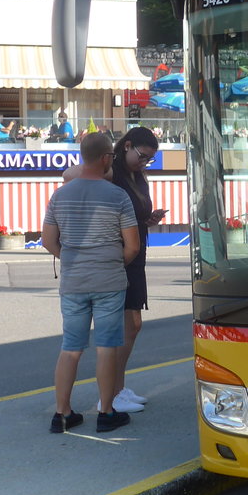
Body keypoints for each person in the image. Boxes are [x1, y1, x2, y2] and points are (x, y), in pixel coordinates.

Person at [42, 132, 140, 434]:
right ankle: (106, 412)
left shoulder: (60, 195)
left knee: (70, 347)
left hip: (73, 281)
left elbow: (48, 241)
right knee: (107, 346)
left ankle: (62, 414)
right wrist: (110, 262)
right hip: (108, 280)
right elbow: (133, 246)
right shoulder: (118, 196)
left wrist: (72, 258)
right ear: (106, 158)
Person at [108, 127, 167, 412]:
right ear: (127, 145)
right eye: (142, 156)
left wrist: (148, 219)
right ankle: (110, 392)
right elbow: (71, 176)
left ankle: (117, 387)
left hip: (136, 251)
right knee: (127, 326)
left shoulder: (136, 176)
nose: (145, 163)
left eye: (149, 160)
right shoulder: (111, 171)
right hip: (121, 256)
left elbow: (134, 217)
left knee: (132, 326)